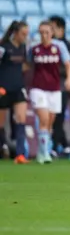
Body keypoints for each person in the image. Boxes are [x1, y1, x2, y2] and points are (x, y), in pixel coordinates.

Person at [28, 21, 70, 164]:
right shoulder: (34, 48)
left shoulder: (59, 47)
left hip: (54, 89)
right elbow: (27, 64)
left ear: (52, 33)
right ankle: (45, 154)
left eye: (46, 32)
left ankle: (42, 151)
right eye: (41, 32)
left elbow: (68, 65)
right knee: (44, 119)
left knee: (50, 123)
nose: (44, 35)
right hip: (38, 88)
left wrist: (69, 80)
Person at [0, 21, 29, 164]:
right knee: (1, 123)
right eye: (23, 34)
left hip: (18, 88)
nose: (25, 37)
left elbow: (23, 66)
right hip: (3, 89)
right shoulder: (3, 48)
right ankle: (2, 147)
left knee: (21, 119)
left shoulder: (23, 48)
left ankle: (20, 154)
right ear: (16, 33)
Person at [49, 15, 70, 159]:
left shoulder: (67, 47)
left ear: (61, 29)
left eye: (53, 28)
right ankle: (65, 147)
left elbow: (68, 67)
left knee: (58, 117)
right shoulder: (47, 46)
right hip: (48, 87)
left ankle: (54, 147)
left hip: (60, 87)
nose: (50, 32)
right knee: (52, 117)